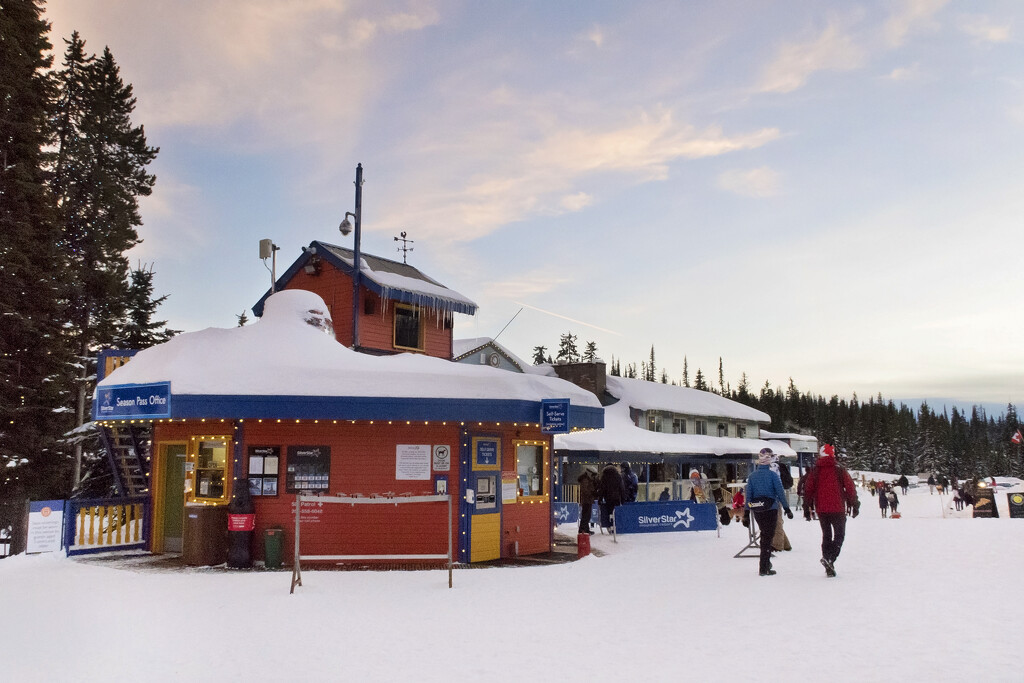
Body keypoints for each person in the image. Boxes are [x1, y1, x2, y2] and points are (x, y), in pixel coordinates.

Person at [803, 444, 859, 578]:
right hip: (838, 508)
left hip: (822, 509)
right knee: (839, 535)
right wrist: (855, 504)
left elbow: (808, 490)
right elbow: (850, 488)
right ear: (833, 455)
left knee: (826, 535)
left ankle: (827, 560)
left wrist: (806, 507)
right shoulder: (839, 469)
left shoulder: (815, 470)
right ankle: (830, 558)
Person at [745, 448, 793, 577]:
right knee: (768, 537)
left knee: (763, 535)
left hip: (757, 509)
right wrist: (787, 508)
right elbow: (780, 492)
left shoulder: (752, 476)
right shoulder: (773, 475)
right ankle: (764, 566)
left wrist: (746, 513)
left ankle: (765, 564)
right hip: (771, 508)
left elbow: (748, 495)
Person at [769, 454, 792, 552]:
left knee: (776, 522)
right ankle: (785, 544)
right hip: (778, 498)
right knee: (777, 520)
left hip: (773, 498)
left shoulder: (773, 468)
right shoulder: (779, 467)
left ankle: (777, 545)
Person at [597, 463, 626, 532]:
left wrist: (600, 499)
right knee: (616, 512)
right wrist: (622, 498)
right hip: (617, 498)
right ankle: (616, 525)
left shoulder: (604, 476)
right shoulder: (618, 476)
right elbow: (622, 488)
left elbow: (602, 489)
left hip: (608, 498)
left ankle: (610, 525)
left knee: (610, 511)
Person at [577, 467, 599, 535]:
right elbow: (585, 490)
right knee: (586, 515)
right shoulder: (585, 480)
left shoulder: (588, 479)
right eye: (593, 475)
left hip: (588, 499)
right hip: (586, 500)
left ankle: (585, 529)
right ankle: (583, 530)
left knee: (587, 515)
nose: (594, 476)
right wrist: (593, 492)